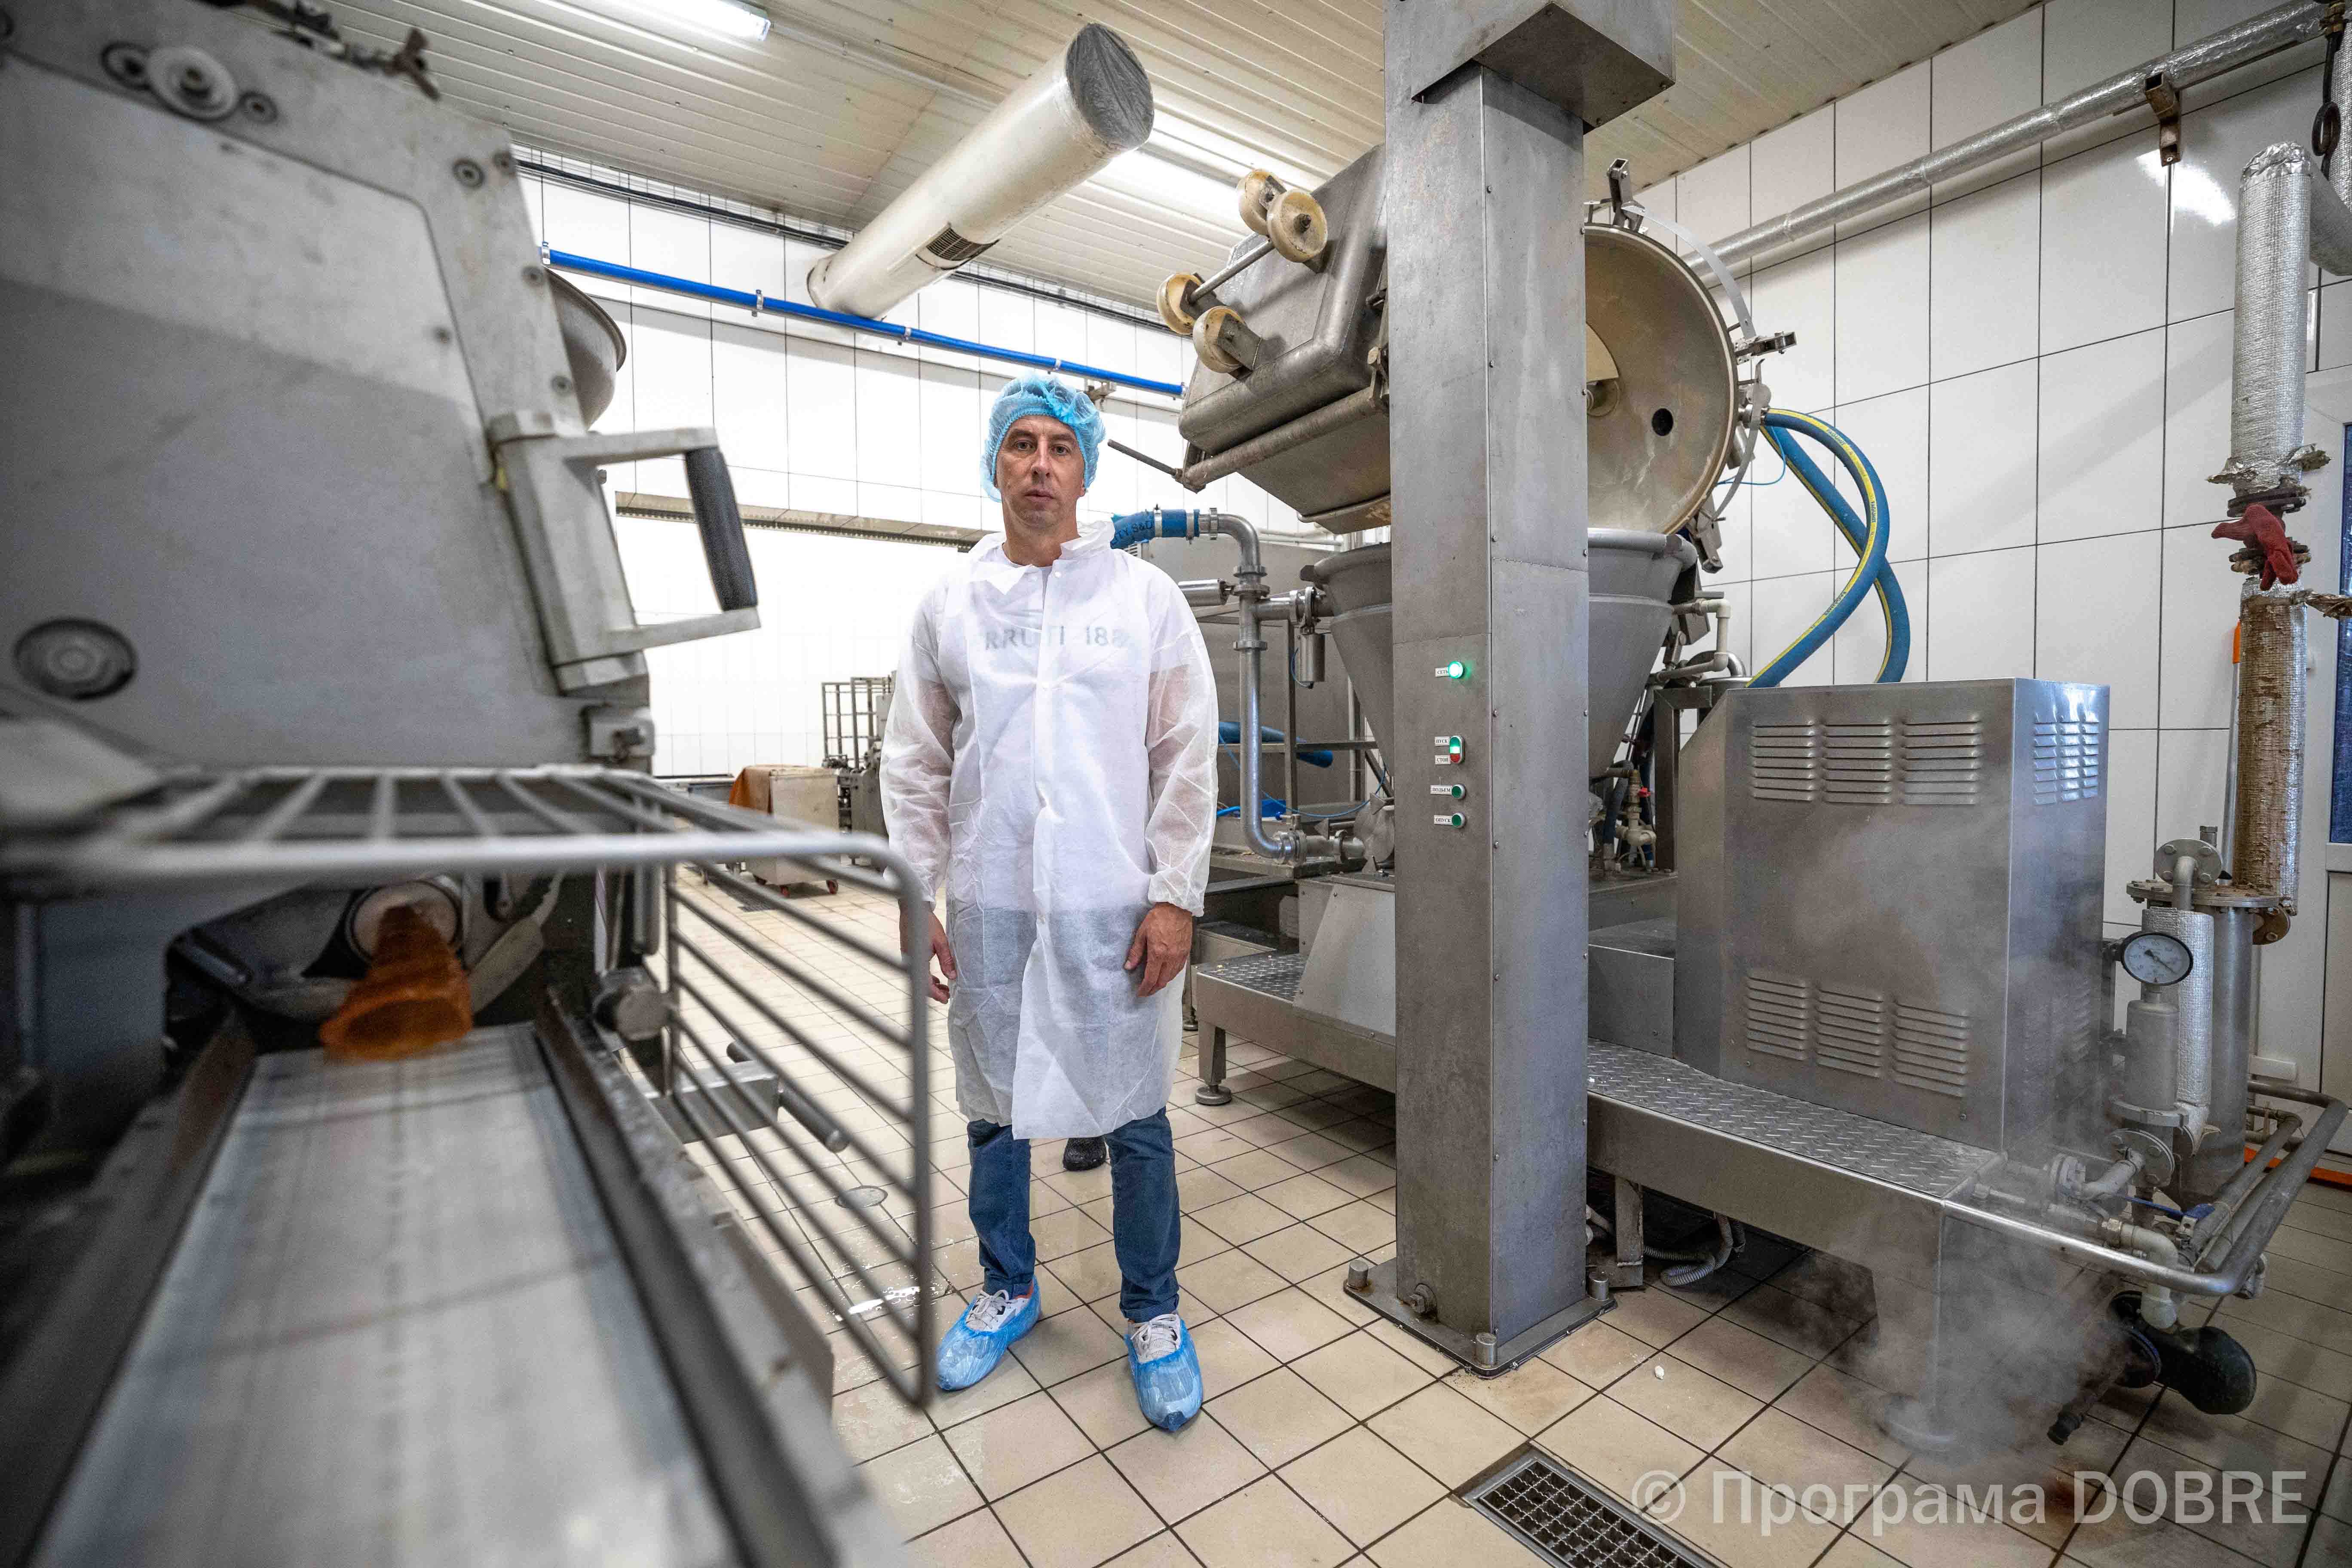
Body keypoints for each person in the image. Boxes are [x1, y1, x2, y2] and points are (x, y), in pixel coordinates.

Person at [879, 373, 1219, 1431]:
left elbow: (1185, 755)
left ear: (1084, 468)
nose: (1039, 464)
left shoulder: (1142, 599)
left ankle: (1153, 1313)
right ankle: (1008, 1287)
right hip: (991, 901)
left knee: (1135, 1114)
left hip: (1111, 902)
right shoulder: (951, 604)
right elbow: (915, 763)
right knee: (993, 1112)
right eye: (1020, 445)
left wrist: (1175, 894)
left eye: (1059, 447)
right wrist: (914, 895)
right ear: (995, 464)